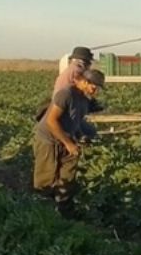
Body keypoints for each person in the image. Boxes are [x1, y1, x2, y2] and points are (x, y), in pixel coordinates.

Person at [33, 68, 105, 213]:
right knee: (45, 180)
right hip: (49, 140)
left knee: (67, 178)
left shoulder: (84, 99)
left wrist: (80, 136)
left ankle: (65, 212)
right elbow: (51, 122)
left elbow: (75, 121)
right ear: (84, 82)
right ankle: (41, 214)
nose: (95, 90)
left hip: (67, 139)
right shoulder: (66, 94)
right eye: (93, 86)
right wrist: (68, 143)